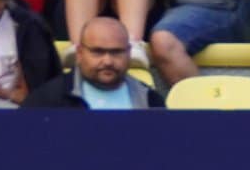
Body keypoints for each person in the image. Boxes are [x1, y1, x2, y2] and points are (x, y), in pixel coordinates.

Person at [23, 15, 166, 107]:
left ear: (129, 53)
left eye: (116, 52)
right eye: (98, 52)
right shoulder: (47, 100)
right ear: (79, 53)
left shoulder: (150, 101)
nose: (108, 61)